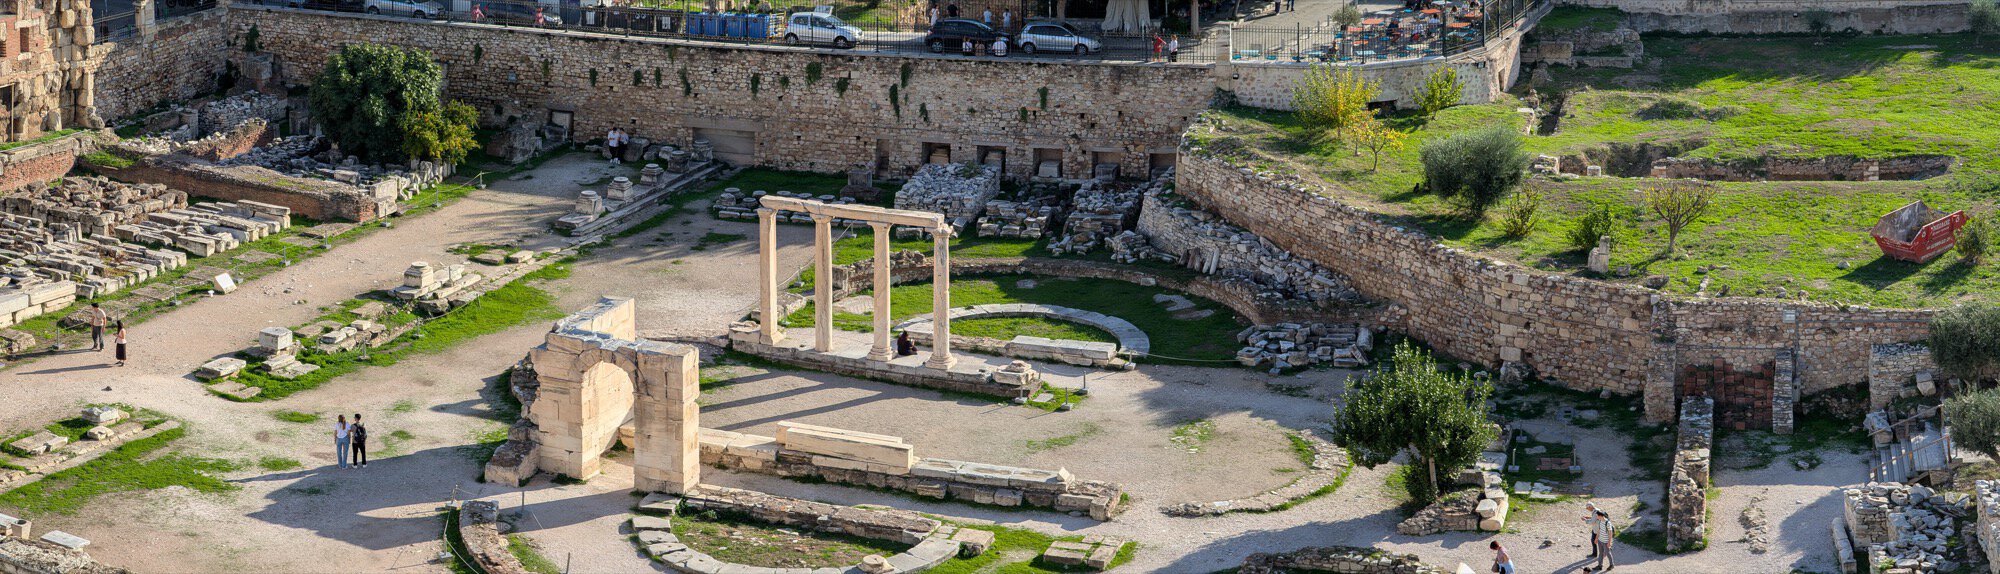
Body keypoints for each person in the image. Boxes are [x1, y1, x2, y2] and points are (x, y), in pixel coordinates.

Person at [1584, 504, 1614, 572]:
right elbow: (1599, 530)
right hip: (1600, 540)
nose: (1596, 517)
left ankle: (1612, 565)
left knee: (1608, 553)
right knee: (1600, 553)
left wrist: (1609, 542)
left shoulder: (1607, 523)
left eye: (1597, 516)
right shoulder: (1600, 521)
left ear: (1601, 516)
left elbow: (1610, 533)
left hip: (1606, 541)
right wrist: (1596, 538)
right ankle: (1600, 566)